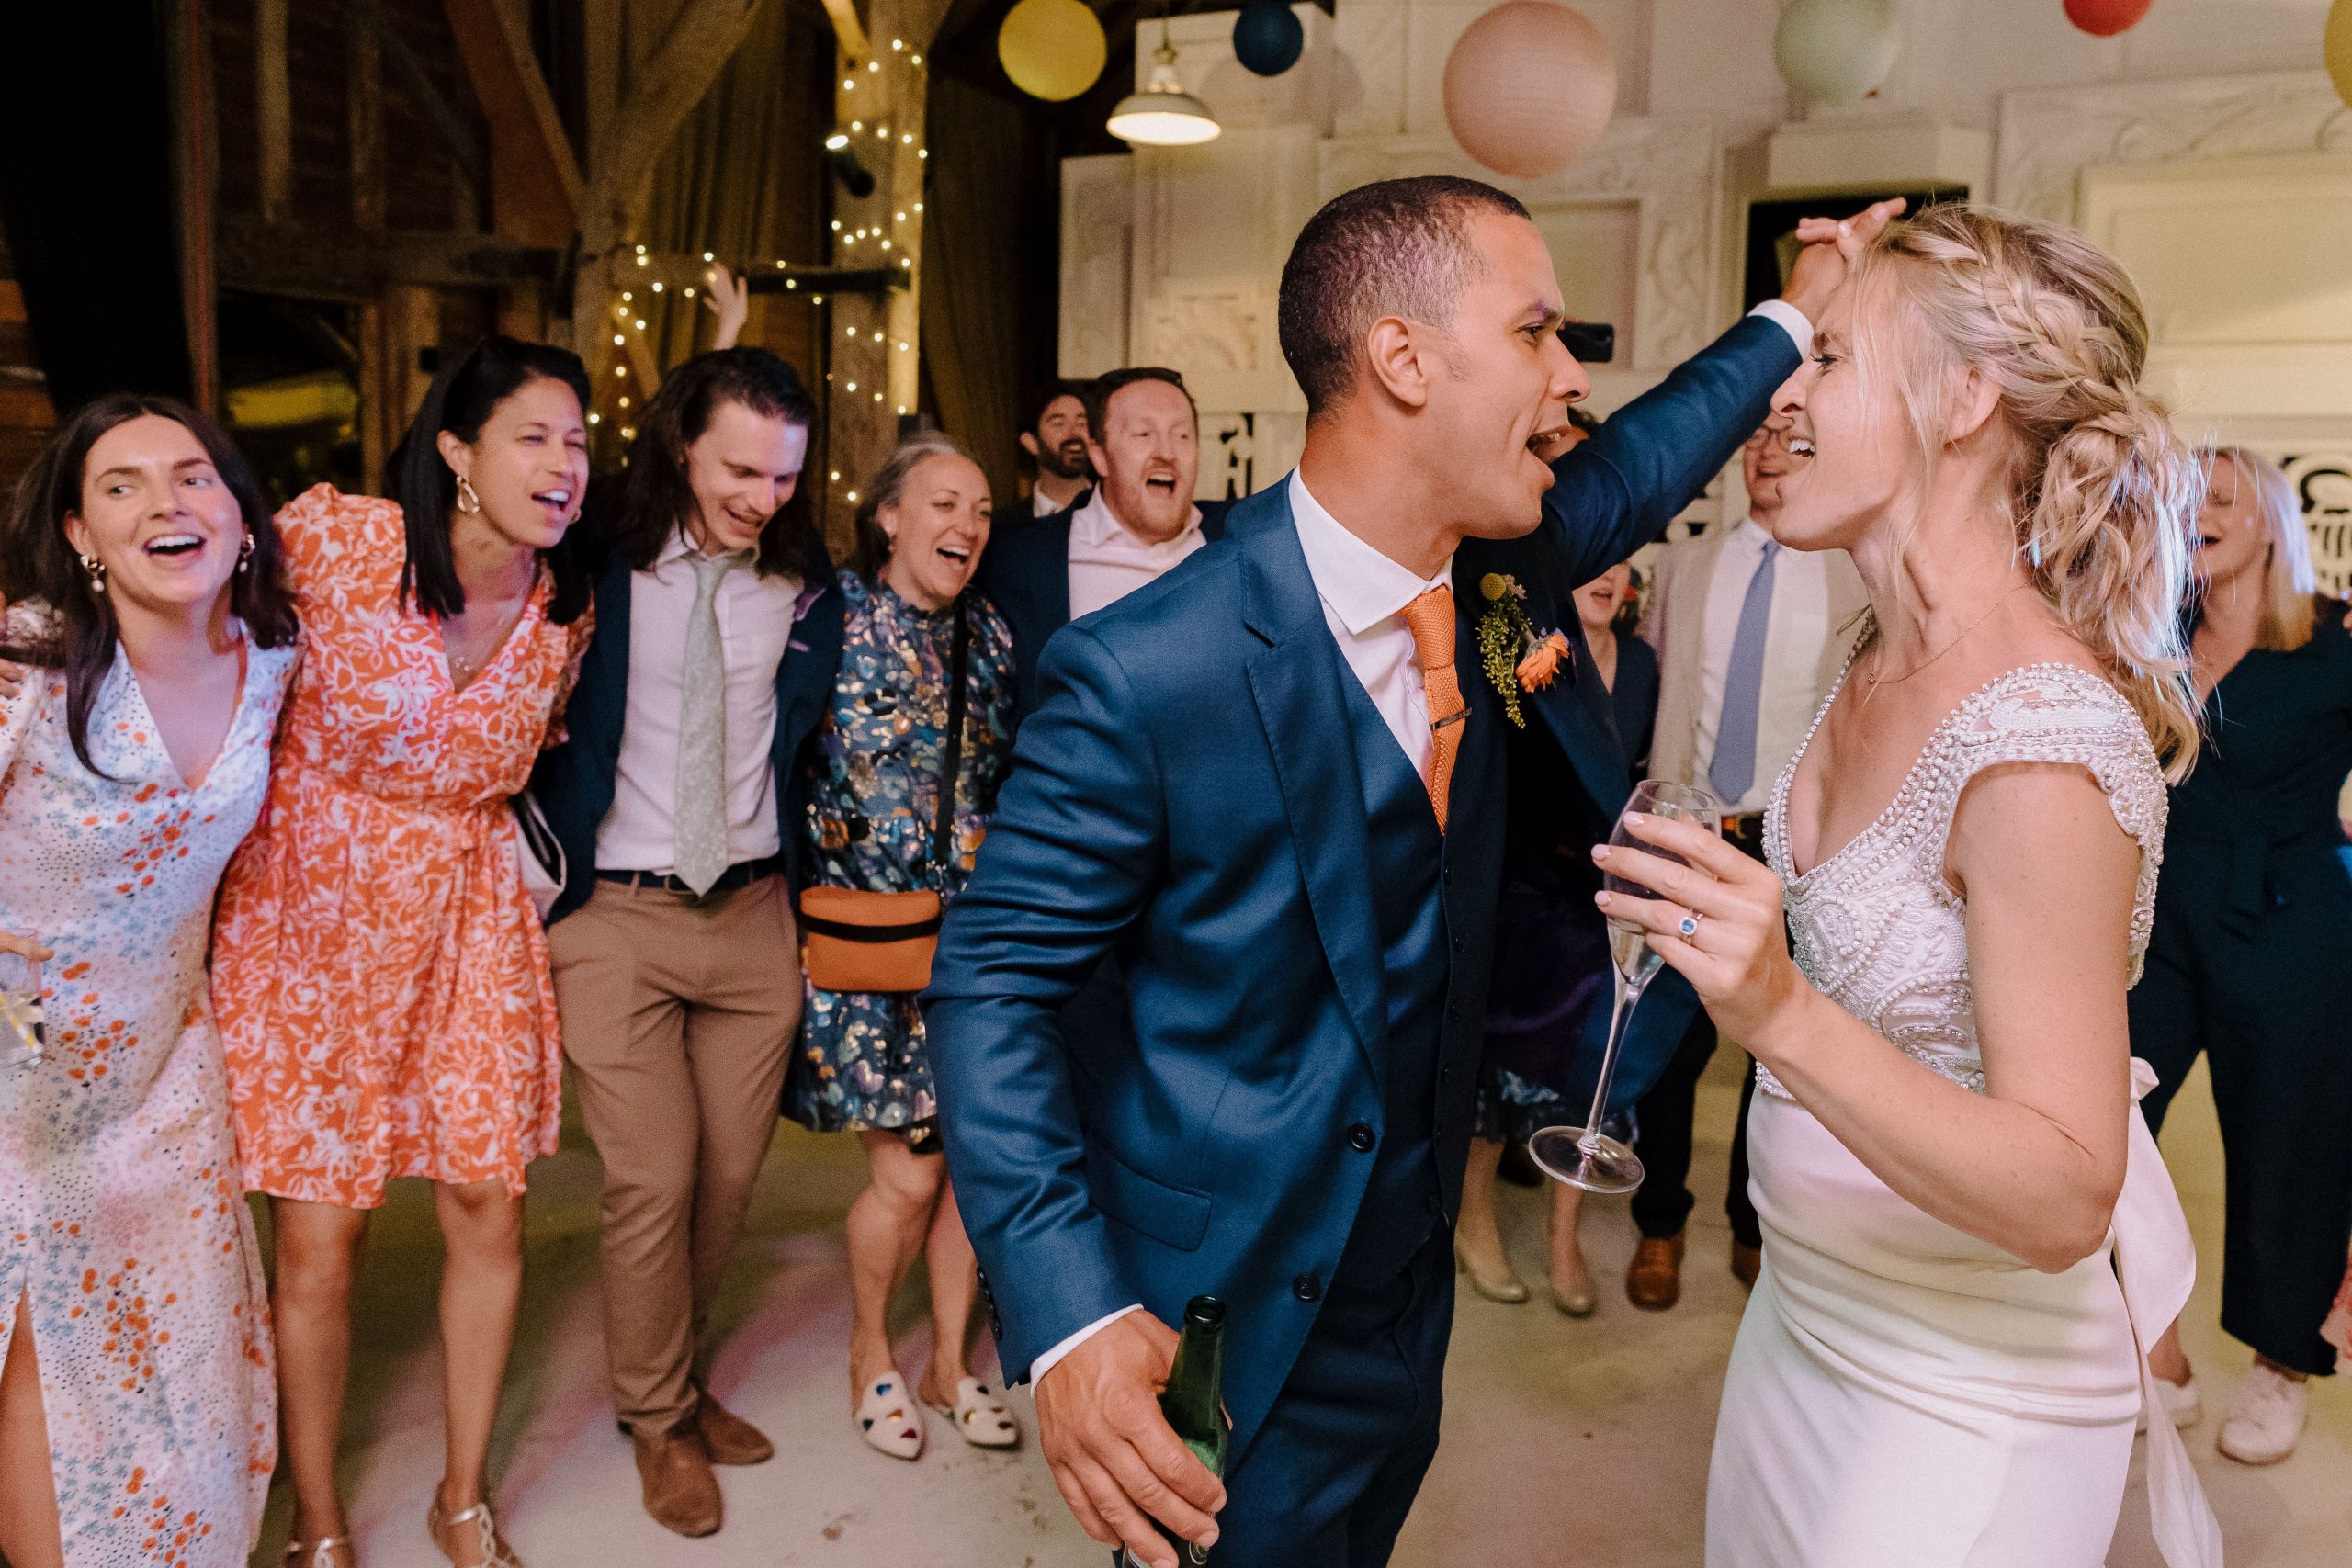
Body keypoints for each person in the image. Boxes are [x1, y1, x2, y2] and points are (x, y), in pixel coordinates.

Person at [928, 175, 1887, 1568]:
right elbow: (993, 985)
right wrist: (1068, 1315)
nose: (1571, 378)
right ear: (1402, 357)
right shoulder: (1150, 667)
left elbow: (1655, 450)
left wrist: (1797, 308)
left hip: (1402, 1280)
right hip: (1214, 1301)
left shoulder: (1504, 564)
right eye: (1538, 332)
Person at [1595, 204, 2222, 1567]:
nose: (1780, 396)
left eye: (1824, 357)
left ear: (1968, 397)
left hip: (1961, 1398)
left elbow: (2066, 1192)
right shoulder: (1872, 650)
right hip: (1801, 1328)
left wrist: (1774, 1009)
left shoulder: (2040, 742)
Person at [212, 336, 595, 1568]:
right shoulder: (340, 541)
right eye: (533, 435)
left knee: (492, 1199)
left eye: (578, 441)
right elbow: (190, 619)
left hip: (468, 907)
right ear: (455, 452)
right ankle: (318, 1512)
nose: (562, 463)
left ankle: (463, 1492)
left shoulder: (562, 607)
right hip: (313, 911)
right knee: (325, 1231)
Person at [527, 347, 842, 1539]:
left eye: (786, 475)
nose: (765, 495)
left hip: (755, 911)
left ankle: (680, 1373)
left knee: (727, 1180)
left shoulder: (803, 587)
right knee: (652, 1176)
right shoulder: (591, 568)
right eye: (742, 468)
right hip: (618, 910)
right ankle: (656, 1415)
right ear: (679, 445)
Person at [0, 397, 298, 1568]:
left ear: (236, 515)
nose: (166, 501)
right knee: (45, 1349)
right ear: (79, 534)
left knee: (172, 1363)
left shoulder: (276, 660)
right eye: (122, 485)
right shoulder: (24, 661)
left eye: (194, 476)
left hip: (167, 1062)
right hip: (17, 1072)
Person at [784, 435, 1020, 1460]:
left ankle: (948, 1364)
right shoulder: (826, 619)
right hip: (866, 951)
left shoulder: (995, 635)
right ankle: (870, 1351)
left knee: (968, 1168)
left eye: (978, 510)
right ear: (888, 517)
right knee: (907, 1180)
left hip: (973, 952)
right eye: (941, 503)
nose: (964, 525)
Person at [2130, 446, 2352, 1465]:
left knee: (2288, 1151)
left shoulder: (2335, 640)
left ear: (2268, 522)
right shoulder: (2147, 633)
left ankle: (2281, 1366)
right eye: (2184, 501)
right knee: (2110, 1124)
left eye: (2218, 498)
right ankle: (2155, 1355)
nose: (2197, 513)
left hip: (2289, 919)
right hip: (2158, 917)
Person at [1622, 419, 1868, 1308]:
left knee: (1779, 1049)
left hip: (1794, 841)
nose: (1770, 453)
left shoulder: (1852, 572)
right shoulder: (1685, 567)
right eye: (1757, 436)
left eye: (1795, 440)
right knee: (1672, 1045)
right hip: (1694, 830)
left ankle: (1756, 1224)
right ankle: (1659, 1224)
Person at [1453, 558, 1658, 1315]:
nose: (1607, 576)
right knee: (1499, 1061)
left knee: (1595, 1064)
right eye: (1590, 561)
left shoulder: (1639, 662)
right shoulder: (1522, 649)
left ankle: (1563, 1228)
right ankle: (1474, 1217)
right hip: (1521, 882)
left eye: (1621, 561)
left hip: (1598, 894)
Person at [975, 367, 1237, 727]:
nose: (1166, 453)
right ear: (1099, 456)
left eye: (1182, 436)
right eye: (1144, 434)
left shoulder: (1242, 541)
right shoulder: (1019, 558)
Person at [1003, 381, 1094, 524]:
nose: (1074, 433)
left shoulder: (1119, 515)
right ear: (1032, 443)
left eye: (1081, 424)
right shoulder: (1004, 527)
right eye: (1059, 424)